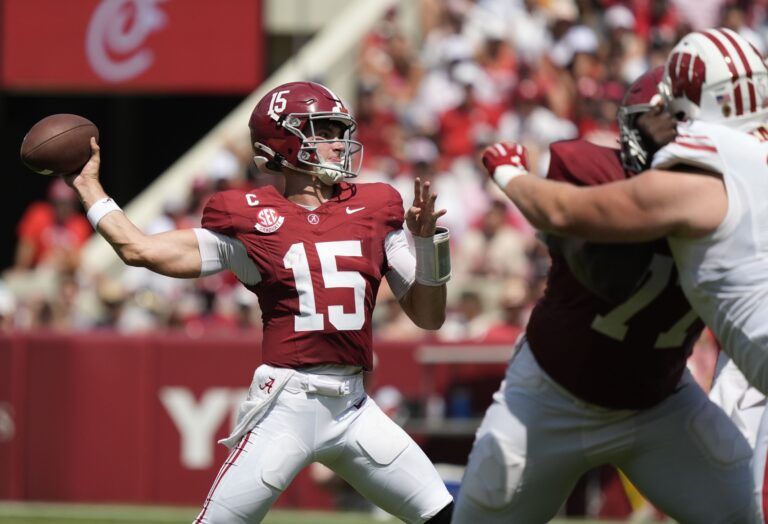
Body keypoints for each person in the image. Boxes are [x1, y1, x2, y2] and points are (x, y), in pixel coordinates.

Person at [64, 81, 454, 523]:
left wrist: (424, 244)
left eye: (337, 129)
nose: (337, 142)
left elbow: (428, 316)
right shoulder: (249, 217)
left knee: (445, 516)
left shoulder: (375, 205)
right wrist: (89, 187)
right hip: (286, 405)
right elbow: (140, 249)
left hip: (353, 406)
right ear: (285, 141)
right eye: (323, 130)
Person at [478, 26, 768, 521]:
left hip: (662, 401)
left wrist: (509, 172)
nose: (667, 131)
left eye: (672, 117)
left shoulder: (696, 184)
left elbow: (566, 215)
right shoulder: (737, 163)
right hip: (557, 394)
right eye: (654, 121)